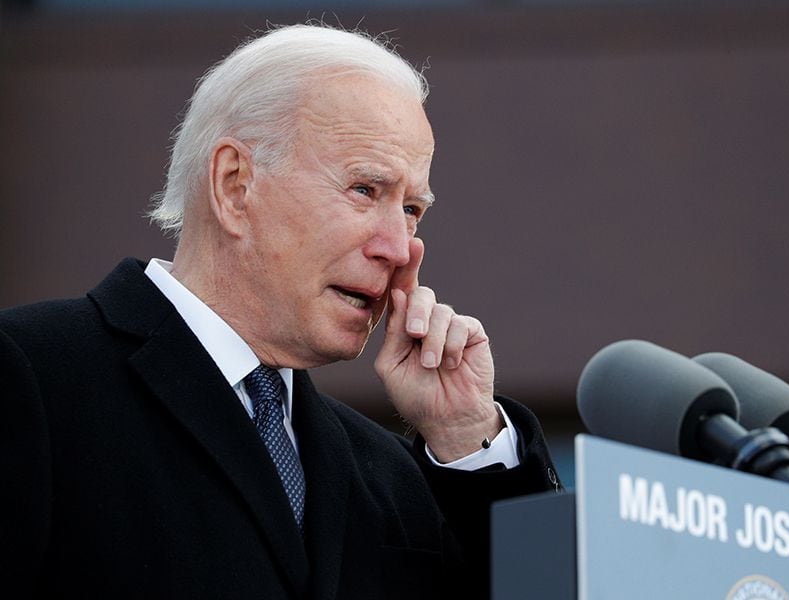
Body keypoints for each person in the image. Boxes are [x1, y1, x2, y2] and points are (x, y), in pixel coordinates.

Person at [0, 24, 559, 599]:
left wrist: (467, 438)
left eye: (413, 208)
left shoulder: (390, 472)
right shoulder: (30, 375)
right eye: (365, 190)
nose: (398, 247)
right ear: (235, 185)